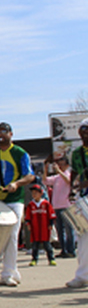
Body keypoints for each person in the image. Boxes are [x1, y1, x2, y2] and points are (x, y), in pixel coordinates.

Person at [0, 122, 34, 287]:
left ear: (11, 134)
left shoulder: (19, 153)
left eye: (4, 132)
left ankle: (8, 273)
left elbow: (30, 176)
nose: (1, 135)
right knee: (1, 237)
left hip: (15, 200)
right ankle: (12, 271)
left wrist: (16, 184)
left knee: (11, 235)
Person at [67, 118, 88, 288]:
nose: (85, 133)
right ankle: (82, 276)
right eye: (83, 130)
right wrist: (72, 189)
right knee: (83, 236)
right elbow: (74, 172)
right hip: (84, 197)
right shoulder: (77, 153)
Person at [43, 155, 74, 258]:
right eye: (59, 165)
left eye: (62, 165)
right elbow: (45, 181)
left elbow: (69, 182)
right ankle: (63, 250)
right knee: (60, 230)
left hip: (66, 205)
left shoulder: (68, 175)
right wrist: (46, 169)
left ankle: (71, 250)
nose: (60, 167)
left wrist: (59, 171)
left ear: (67, 166)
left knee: (69, 229)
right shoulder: (56, 178)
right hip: (56, 206)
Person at [24, 184, 56, 266]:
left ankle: (51, 259)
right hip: (35, 228)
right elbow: (28, 216)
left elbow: (51, 214)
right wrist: (28, 224)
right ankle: (34, 259)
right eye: (33, 193)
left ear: (41, 193)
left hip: (44, 227)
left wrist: (51, 224)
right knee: (35, 245)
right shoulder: (31, 205)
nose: (34, 195)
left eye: (36, 193)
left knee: (47, 244)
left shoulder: (46, 204)